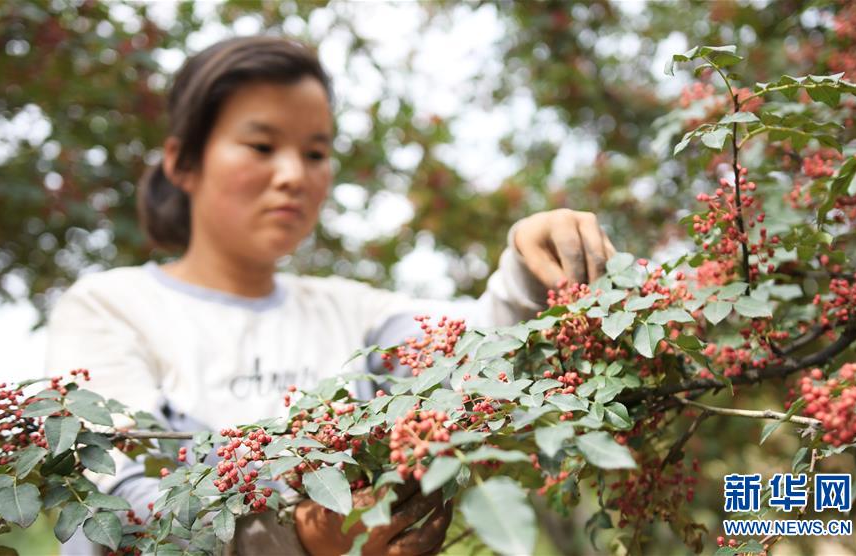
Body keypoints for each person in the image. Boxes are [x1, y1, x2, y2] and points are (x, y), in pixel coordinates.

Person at [44, 36, 616, 555]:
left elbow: (470, 351)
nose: (294, 174)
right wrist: (306, 533)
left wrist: (527, 262)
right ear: (183, 163)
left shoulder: (353, 313)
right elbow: (118, 515)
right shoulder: (110, 308)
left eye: (316, 153)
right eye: (262, 145)